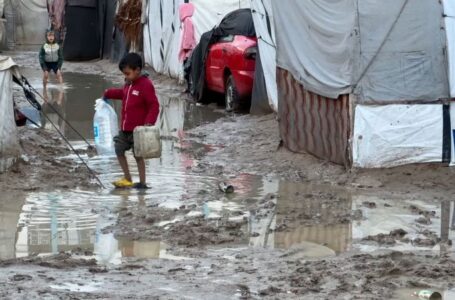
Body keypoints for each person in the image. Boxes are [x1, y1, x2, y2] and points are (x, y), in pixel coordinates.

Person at [103, 53, 160, 189]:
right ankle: (127, 178)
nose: (125, 77)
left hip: (138, 130)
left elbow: (154, 105)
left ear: (138, 70)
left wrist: (148, 123)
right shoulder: (128, 84)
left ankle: (142, 182)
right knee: (118, 149)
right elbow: (122, 94)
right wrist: (108, 93)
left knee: (138, 155)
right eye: (124, 74)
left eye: (128, 73)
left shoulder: (146, 85)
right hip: (125, 128)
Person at [179, 3, 196, 93]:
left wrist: (186, 47)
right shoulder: (187, 20)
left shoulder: (187, 21)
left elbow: (188, 36)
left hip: (188, 51)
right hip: (188, 50)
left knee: (187, 69)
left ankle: (190, 88)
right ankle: (189, 87)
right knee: (188, 69)